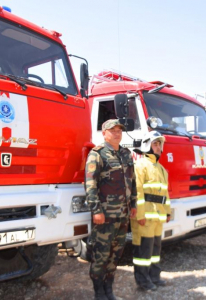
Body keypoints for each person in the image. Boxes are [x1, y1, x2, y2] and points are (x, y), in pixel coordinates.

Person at [85, 119, 137, 300]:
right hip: (105, 216)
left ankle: (109, 290)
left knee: (115, 255)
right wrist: (96, 210)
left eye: (119, 130)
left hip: (123, 215)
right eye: (112, 130)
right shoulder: (97, 154)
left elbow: (133, 182)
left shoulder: (126, 154)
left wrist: (134, 204)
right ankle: (99, 292)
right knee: (101, 255)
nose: (117, 133)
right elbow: (90, 184)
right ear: (104, 133)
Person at [131, 131, 171, 291]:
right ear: (147, 145)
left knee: (155, 250)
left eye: (160, 144)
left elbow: (165, 193)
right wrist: (140, 215)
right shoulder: (140, 165)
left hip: (157, 217)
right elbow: (137, 192)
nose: (159, 147)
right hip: (145, 217)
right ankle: (143, 281)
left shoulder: (161, 168)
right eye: (155, 143)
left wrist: (167, 212)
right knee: (143, 251)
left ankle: (154, 277)